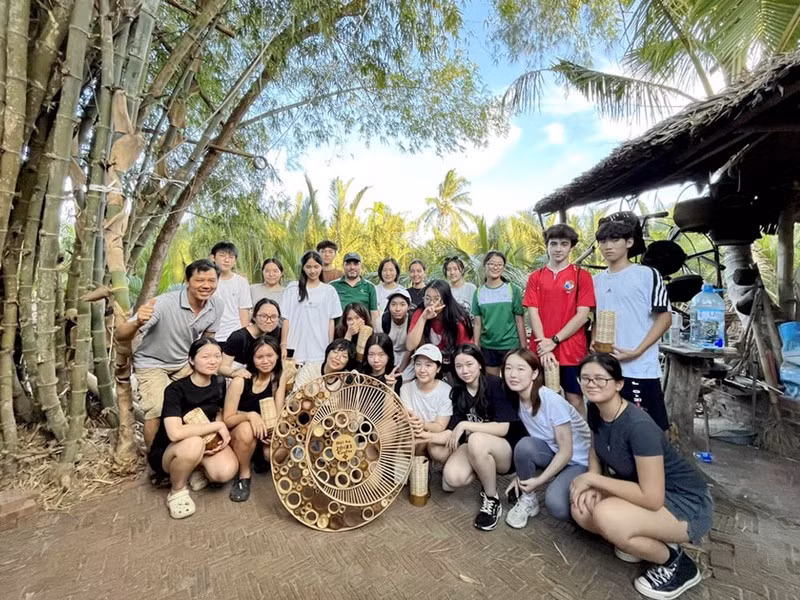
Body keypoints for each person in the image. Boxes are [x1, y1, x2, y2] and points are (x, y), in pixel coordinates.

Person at [570, 354, 712, 599]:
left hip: (685, 503)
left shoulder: (639, 426)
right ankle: (642, 537)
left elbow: (652, 498)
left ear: (618, 384)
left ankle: (676, 563)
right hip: (642, 489)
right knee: (581, 509)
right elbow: (596, 448)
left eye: (601, 379)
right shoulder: (596, 409)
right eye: (586, 379)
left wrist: (594, 480)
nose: (592, 384)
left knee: (606, 515)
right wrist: (592, 478)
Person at [116, 259, 223, 451]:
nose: (206, 285)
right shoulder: (164, 304)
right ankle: (155, 463)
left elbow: (206, 343)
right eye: (199, 280)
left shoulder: (216, 306)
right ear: (187, 281)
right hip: (152, 363)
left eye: (211, 281)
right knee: (157, 410)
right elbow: (121, 334)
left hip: (184, 362)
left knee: (197, 403)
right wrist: (137, 322)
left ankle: (194, 454)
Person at [422, 345, 524, 531]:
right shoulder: (459, 392)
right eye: (459, 366)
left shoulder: (496, 385)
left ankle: (492, 499)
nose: (464, 370)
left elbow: (503, 428)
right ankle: (483, 468)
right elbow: (452, 431)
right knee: (451, 479)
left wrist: (466, 425)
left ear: (479, 364)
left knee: (476, 438)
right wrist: (424, 435)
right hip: (477, 447)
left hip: (505, 451)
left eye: (469, 364)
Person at [146, 338, 238, 519]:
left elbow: (217, 412)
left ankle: (193, 470)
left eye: (217, 356)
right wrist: (218, 425)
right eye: (205, 357)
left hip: (202, 443)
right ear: (191, 360)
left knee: (225, 472)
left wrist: (219, 431)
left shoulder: (219, 383)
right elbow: (174, 433)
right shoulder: (176, 390)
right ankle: (177, 490)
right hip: (169, 451)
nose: (213, 361)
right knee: (193, 444)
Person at [593, 220, 672, 430]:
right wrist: (594, 345)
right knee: (605, 427)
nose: (607, 246)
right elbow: (596, 319)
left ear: (629, 242)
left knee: (648, 429)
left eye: (614, 240)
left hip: (639, 368)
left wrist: (637, 351)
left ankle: (655, 464)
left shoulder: (647, 275)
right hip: (605, 368)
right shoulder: (596, 281)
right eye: (602, 241)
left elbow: (664, 318)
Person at [502, 349, 591, 528]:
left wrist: (539, 480)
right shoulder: (516, 397)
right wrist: (521, 475)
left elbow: (567, 452)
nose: (513, 374)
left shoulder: (551, 401)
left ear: (535, 373)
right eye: (508, 368)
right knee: (524, 446)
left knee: (557, 505)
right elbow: (532, 442)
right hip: (553, 452)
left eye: (521, 369)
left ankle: (588, 510)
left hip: (578, 460)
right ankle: (529, 500)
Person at [524, 224, 595, 416]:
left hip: (571, 349)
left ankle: (583, 442)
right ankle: (549, 441)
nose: (558, 249)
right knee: (540, 397)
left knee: (575, 398)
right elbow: (533, 312)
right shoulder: (536, 277)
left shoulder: (582, 276)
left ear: (571, 247)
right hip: (540, 348)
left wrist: (554, 341)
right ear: (546, 245)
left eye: (564, 244)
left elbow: (582, 315)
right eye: (553, 243)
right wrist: (543, 345)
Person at [223, 336, 288, 502]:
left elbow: (278, 412)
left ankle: (258, 454)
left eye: (270, 356)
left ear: (277, 356)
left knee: (276, 455)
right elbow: (228, 419)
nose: (265, 361)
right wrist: (250, 415)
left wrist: (274, 434)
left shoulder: (277, 378)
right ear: (252, 358)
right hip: (238, 429)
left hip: (262, 430)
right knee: (246, 429)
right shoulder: (240, 380)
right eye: (259, 357)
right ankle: (244, 475)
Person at [281, 251, 342, 364]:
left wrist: (330, 346)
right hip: (294, 348)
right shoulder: (292, 288)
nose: (312, 271)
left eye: (316, 267)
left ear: (321, 267)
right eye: (308, 267)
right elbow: (286, 319)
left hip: (319, 349)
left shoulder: (329, 291)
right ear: (303, 268)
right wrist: (283, 344)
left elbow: (330, 322)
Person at [473, 251, 526, 376]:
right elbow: (477, 324)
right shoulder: (479, 292)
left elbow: (519, 320)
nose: (495, 267)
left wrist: (524, 347)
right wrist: (476, 346)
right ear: (485, 266)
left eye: (499, 265)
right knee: (492, 383)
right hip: (488, 346)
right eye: (491, 264)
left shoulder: (513, 289)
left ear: (503, 268)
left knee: (512, 381)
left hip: (510, 345)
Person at [407, 280, 473, 373]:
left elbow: (466, 351)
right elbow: (410, 346)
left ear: (446, 299)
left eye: (436, 299)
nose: (431, 303)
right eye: (427, 298)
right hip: (428, 363)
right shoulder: (420, 312)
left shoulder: (458, 320)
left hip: (454, 362)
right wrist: (423, 318)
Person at [399, 344, 453, 454]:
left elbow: (440, 426)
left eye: (428, 365)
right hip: (413, 434)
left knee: (437, 450)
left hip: (434, 435)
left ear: (438, 368)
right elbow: (409, 422)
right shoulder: (406, 389)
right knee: (414, 441)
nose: (422, 370)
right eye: (418, 364)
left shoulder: (446, 391)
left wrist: (422, 424)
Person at [219, 298, 282, 378]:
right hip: (236, 379)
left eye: (274, 317)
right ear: (254, 317)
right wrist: (235, 373)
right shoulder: (238, 337)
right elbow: (222, 368)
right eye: (263, 316)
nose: (269, 321)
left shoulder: (274, 332)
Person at [210, 241, 252, 343]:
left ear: (235, 260)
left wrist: (244, 337)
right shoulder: (206, 281)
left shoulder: (241, 282)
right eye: (222, 255)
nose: (227, 260)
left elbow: (243, 311)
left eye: (231, 257)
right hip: (210, 336)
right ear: (213, 257)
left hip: (234, 335)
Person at [330, 252, 379, 327]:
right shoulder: (332, 286)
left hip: (363, 334)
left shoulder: (370, 287)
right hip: (339, 333)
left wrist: (374, 334)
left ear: (360, 266)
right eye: (348, 264)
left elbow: (374, 314)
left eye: (356, 264)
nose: (352, 267)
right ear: (343, 265)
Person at [380, 288, 413, 379]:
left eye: (402, 304)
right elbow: (380, 346)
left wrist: (401, 369)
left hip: (408, 357)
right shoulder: (382, 320)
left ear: (409, 307)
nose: (398, 309)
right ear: (389, 306)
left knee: (405, 380)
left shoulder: (412, 320)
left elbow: (410, 349)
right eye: (393, 304)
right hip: (388, 356)